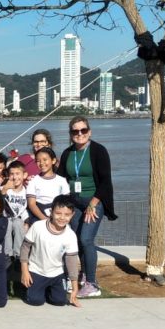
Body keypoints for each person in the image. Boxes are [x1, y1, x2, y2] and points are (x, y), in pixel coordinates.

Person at [57, 116, 117, 299]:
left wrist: (93, 204)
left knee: (86, 240)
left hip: (94, 201)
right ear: (70, 134)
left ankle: (92, 283)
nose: (79, 134)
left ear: (89, 132)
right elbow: (61, 179)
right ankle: (81, 277)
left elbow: (106, 181)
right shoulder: (68, 153)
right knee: (76, 242)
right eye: (75, 131)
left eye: (83, 130)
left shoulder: (98, 151)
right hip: (74, 204)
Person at [20, 195, 81, 307]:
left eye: (67, 215)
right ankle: (34, 289)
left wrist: (75, 288)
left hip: (57, 273)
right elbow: (25, 248)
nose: (62, 218)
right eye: (58, 213)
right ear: (51, 212)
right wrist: (25, 271)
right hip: (37, 270)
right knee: (35, 301)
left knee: (60, 301)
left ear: (72, 215)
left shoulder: (71, 235)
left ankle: (51, 290)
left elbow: (71, 262)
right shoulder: (38, 226)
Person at [26, 147, 69, 222]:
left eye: (45, 160)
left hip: (58, 215)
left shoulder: (62, 180)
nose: (41, 163)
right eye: (38, 161)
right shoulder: (33, 181)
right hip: (39, 216)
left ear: (53, 160)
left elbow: (66, 202)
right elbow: (32, 204)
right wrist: (44, 219)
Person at [3, 160, 30, 260]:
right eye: (12, 174)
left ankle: (18, 254)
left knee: (18, 224)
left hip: (19, 218)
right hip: (7, 217)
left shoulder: (27, 191)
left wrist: (27, 222)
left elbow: (26, 209)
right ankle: (7, 254)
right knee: (8, 224)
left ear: (24, 175)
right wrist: (4, 190)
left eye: (18, 173)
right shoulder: (6, 189)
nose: (14, 177)